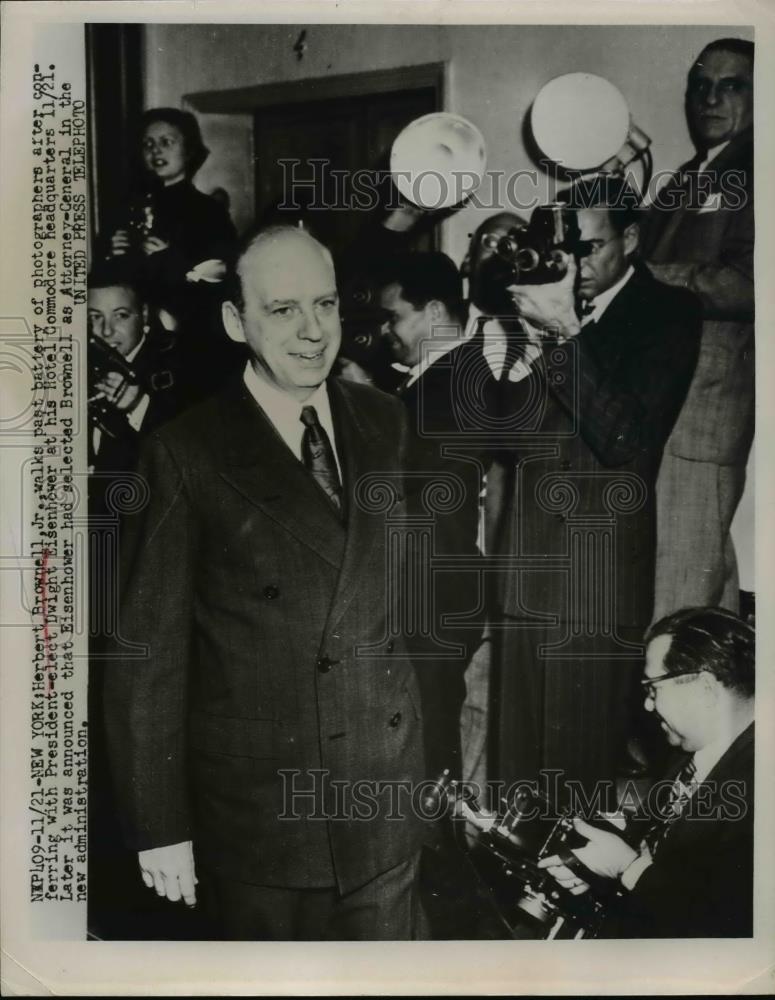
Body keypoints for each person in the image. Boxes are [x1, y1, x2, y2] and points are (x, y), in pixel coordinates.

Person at [103, 225, 427, 941]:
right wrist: (159, 827)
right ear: (234, 321)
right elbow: (147, 658)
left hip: (383, 800)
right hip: (262, 817)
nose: (313, 332)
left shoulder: (384, 420)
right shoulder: (185, 453)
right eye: (283, 310)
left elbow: (403, 607)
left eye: (326, 304)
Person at [493, 176, 702, 799]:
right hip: (524, 573)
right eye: (566, 248)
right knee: (516, 783)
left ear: (631, 238)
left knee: (574, 783)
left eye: (591, 247)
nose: (575, 265)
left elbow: (627, 441)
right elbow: (504, 433)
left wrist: (563, 335)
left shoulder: (668, 313)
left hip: (592, 582)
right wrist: (524, 342)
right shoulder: (543, 310)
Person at [539, 606, 754, 938]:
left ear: (707, 689)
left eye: (654, 689)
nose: (648, 705)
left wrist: (627, 867)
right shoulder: (692, 753)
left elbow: (723, 927)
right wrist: (594, 867)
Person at [642, 38, 754, 619]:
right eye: (700, 85)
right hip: (670, 411)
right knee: (706, 595)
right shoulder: (687, 176)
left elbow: (750, 284)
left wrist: (651, 277)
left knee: (679, 601)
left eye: (731, 85)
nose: (710, 98)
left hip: (703, 417)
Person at [378, 251, 488, 780]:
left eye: (394, 316)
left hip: (433, 594)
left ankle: (433, 856)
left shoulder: (450, 383)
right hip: (437, 590)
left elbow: (419, 499)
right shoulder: (437, 380)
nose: (386, 330)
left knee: (429, 742)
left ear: (435, 312)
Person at [106, 107, 240, 391]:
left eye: (167, 142)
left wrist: (172, 261)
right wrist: (113, 254)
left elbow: (223, 273)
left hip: (192, 342)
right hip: (138, 340)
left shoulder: (207, 211)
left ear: (189, 150)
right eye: (148, 144)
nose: (156, 151)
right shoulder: (130, 208)